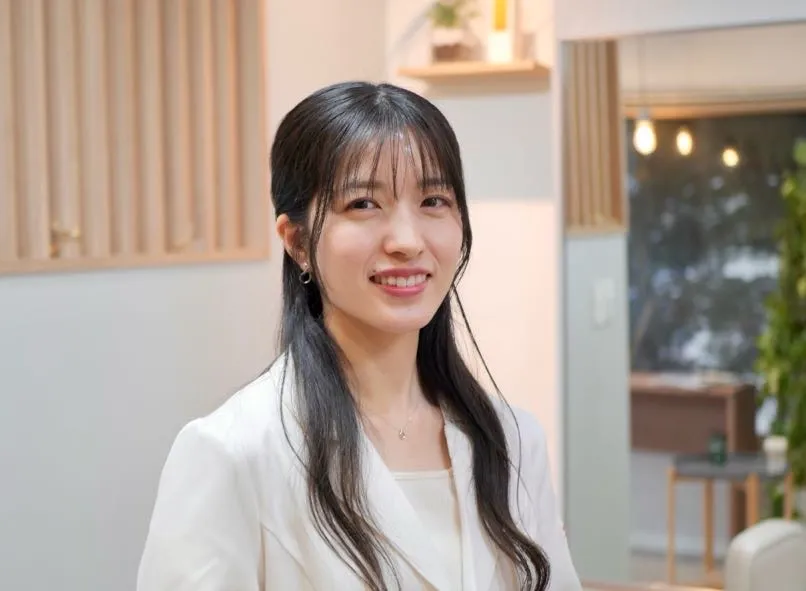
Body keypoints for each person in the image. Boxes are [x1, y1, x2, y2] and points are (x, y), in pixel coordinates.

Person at [137, 81, 582, 591]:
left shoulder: (512, 441)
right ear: (297, 241)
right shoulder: (231, 453)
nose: (407, 241)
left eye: (433, 200)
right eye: (364, 204)